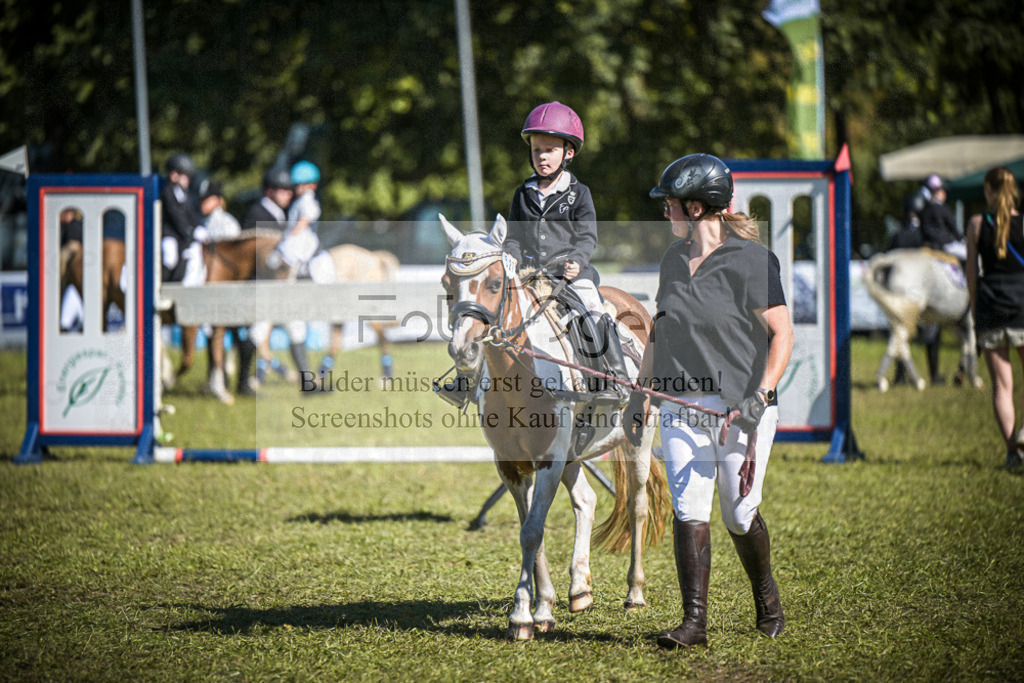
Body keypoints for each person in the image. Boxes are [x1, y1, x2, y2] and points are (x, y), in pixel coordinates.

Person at [625, 153, 794, 648]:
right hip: (682, 404)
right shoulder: (673, 260)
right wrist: (642, 395)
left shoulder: (752, 260)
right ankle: (693, 623)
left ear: (696, 208)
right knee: (689, 508)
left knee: (739, 513)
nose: (665, 213)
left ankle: (766, 598)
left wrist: (760, 396)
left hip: (742, 407)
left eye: (670, 204)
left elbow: (782, 335)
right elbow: (661, 330)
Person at [505, 101, 629, 402]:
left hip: (571, 274)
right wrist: (510, 257)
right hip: (530, 275)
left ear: (568, 152)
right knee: (493, 307)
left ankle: (616, 379)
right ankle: (470, 379)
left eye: (549, 149)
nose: (542, 156)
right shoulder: (522, 194)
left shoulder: (579, 193)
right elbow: (514, 238)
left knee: (592, 308)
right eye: (536, 150)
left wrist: (577, 260)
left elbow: (587, 237)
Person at [965, 166, 1024, 471]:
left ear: (988, 190)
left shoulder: (976, 224)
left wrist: (975, 311)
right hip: (1022, 306)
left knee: (1003, 386)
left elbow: (972, 276)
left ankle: (1013, 452)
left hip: (991, 308)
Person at [239, 166, 295, 392]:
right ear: (270, 191)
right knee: (258, 330)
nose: (288, 194)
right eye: (283, 190)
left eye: (289, 190)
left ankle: (254, 377)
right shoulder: (257, 214)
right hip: (257, 280)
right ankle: (244, 380)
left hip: (273, 280)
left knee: (264, 330)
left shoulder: (280, 215)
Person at [160, 153, 203, 283]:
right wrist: (189, 230)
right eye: (185, 176)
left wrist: (198, 226)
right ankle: (161, 286)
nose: (188, 180)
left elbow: (191, 214)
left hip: (182, 235)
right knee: (170, 257)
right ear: (174, 175)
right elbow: (175, 216)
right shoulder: (167, 192)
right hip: (169, 234)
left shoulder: (186, 194)